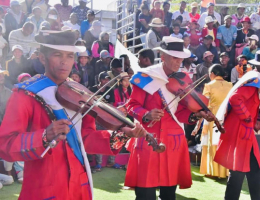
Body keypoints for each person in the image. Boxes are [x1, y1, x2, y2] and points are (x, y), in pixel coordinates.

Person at [0, 30, 146, 199]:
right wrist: (44, 136)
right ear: (42, 58)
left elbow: (86, 138)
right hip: (44, 187)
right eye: (57, 55)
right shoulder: (25, 94)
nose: (64, 62)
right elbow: (5, 144)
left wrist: (121, 133)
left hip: (79, 184)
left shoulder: (78, 92)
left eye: (70, 56)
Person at [124, 36, 213, 200]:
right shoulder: (144, 76)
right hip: (148, 138)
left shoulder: (183, 78)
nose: (178, 62)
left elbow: (179, 112)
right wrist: (146, 114)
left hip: (172, 141)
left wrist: (194, 115)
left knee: (169, 194)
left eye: (180, 58)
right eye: (174, 57)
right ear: (163, 57)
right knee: (145, 194)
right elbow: (131, 105)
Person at [215, 50, 260, 200]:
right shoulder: (255, 79)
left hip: (244, 130)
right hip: (241, 130)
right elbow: (236, 99)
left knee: (254, 167)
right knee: (237, 170)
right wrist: (247, 117)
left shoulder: (254, 77)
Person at [200, 64, 232, 178]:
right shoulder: (230, 85)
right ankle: (225, 172)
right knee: (224, 142)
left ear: (212, 74)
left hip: (212, 116)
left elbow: (204, 103)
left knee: (212, 142)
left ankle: (214, 172)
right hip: (227, 116)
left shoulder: (209, 85)